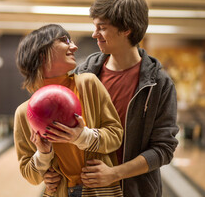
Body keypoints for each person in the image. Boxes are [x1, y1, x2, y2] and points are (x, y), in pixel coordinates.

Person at [44, 0, 179, 196]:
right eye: (95, 26)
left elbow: (163, 149)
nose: (94, 34)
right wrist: (52, 170)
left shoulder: (159, 84)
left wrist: (114, 174)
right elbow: (65, 132)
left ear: (126, 29)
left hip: (134, 191)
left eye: (102, 28)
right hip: (84, 189)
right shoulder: (83, 73)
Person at [14, 24, 124, 197]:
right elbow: (31, 176)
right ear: (42, 53)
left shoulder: (88, 85)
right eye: (64, 40)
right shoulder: (23, 113)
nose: (74, 46)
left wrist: (82, 137)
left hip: (101, 191)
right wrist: (43, 154)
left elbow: (116, 135)